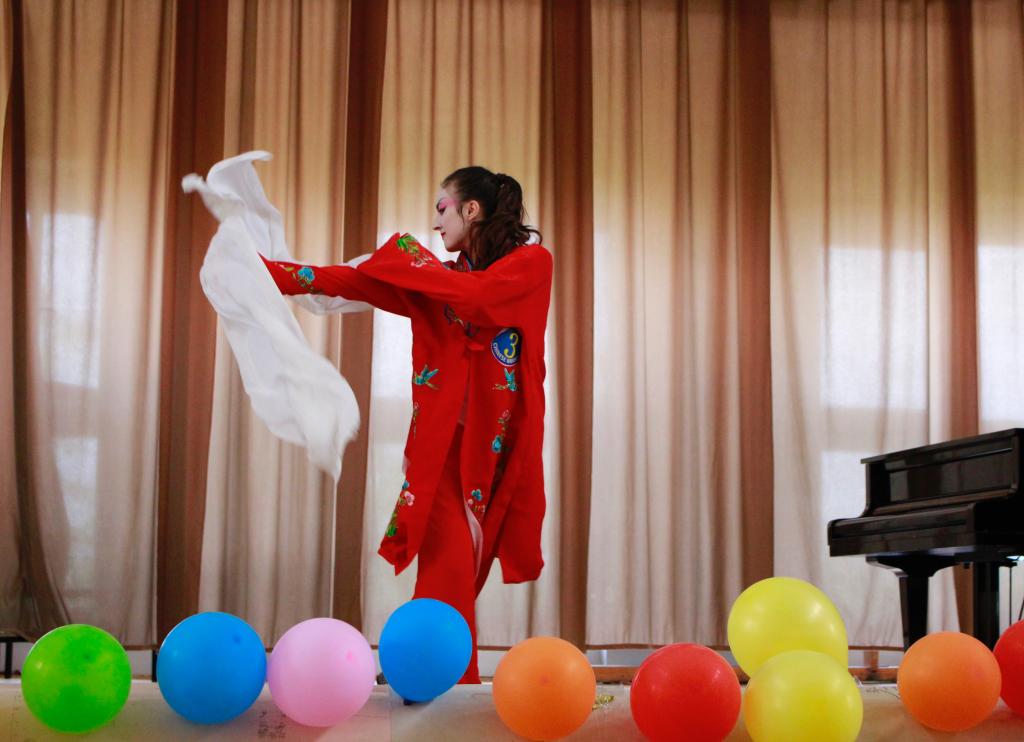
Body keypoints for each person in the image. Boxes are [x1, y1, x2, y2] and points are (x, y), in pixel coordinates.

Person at [258, 167, 553, 684]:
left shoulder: (530, 264)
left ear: (471, 210)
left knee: (462, 568)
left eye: (443, 208)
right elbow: (348, 281)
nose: (435, 223)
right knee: (448, 567)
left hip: (496, 450)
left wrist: (405, 258)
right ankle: (445, 684)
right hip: (441, 450)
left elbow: (478, 297)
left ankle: (429, 677)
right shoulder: (434, 280)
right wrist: (262, 272)